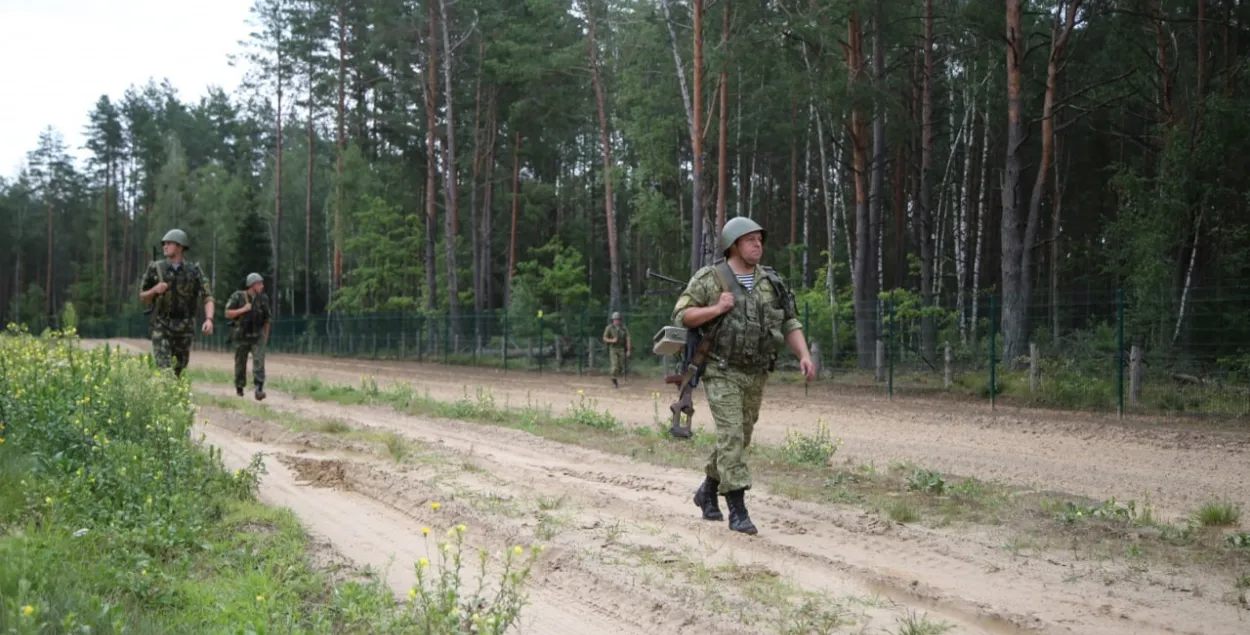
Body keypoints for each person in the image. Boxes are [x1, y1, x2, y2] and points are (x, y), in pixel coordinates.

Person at [670, 217, 815, 535]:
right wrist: (715, 309)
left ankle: (707, 490)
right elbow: (682, 315)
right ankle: (737, 509)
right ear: (734, 244)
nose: (757, 245)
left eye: (760, 239)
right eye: (750, 239)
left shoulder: (772, 282)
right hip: (721, 370)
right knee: (732, 436)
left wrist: (803, 355)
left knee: (739, 438)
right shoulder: (711, 279)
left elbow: (789, 322)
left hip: (756, 373)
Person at [139, 229, 215, 378]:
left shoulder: (194, 271)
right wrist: (155, 290)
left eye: (169, 243)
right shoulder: (156, 268)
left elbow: (208, 297)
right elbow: (143, 297)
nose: (165, 246)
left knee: (178, 371)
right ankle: (166, 398)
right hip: (162, 324)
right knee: (165, 369)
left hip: (184, 328)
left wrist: (209, 319)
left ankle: (172, 398)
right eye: (164, 244)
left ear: (180, 246)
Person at [224, 273, 272, 400]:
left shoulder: (263, 299)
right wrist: (243, 310)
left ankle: (259, 388)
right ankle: (239, 388)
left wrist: (265, 338)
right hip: (241, 336)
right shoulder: (238, 296)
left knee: (259, 361)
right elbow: (227, 313)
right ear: (251, 285)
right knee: (240, 363)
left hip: (258, 336)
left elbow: (267, 320)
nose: (262, 286)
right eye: (259, 283)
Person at [601, 311, 631, 388]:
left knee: (621, 366)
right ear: (613, 320)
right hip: (613, 349)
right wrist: (612, 340)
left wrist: (628, 350)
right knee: (615, 366)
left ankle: (615, 375)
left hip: (621, 349)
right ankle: (614, 380)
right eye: (615, 319)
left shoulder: (623, 328)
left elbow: (628, 338)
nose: (617, 321)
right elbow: (604, 338)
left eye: (618, 319)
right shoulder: (609, 328)